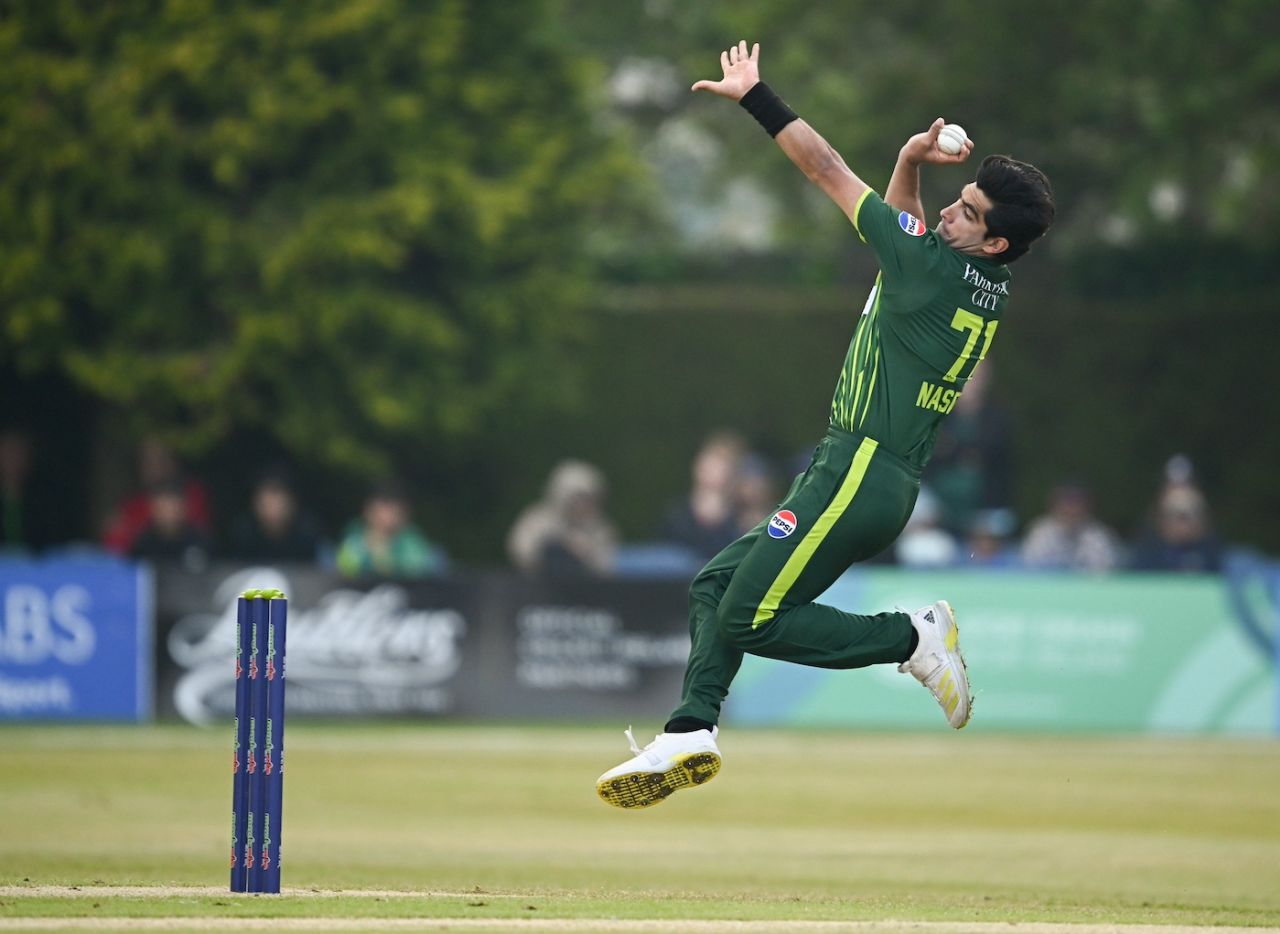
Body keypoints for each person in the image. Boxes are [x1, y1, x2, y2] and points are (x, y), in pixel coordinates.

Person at [596, 41, 1054, 809]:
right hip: (863, 472)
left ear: (996, 240)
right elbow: (907, 226)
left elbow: (826, 169)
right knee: (715, 586)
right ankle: (691, 728)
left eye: (968, 211)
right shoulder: (977, 277)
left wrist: (755, 96)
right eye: (958, 195)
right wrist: (910, 160)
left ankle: (912, 638)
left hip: (861, 470)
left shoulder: (928, 266)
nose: (949, 209)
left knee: (749, 614)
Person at [508, 460, 619, 577]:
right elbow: (522, 551)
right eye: (580, 498)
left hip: (584, 590)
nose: (584, 504)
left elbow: (608, 565)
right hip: (540, 588)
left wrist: (587, 553)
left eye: (590, 498)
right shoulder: (537, 520)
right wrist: (561, 545)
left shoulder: (600, 528)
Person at [103, 437, 211, 555]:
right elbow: (116, 550)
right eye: (147, 461)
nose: (154, 467)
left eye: (160, 460)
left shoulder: (193, 495)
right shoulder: (132, 505)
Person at [658, 432, 745, 560]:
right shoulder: (676, 514)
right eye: (710, 461)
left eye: (722, 463)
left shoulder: (741, 520)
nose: (713, 468)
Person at [335, 479, 447, 578]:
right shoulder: (353, 541)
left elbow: (420, 573)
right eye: (385, 508)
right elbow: (341, 573)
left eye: (396, 509)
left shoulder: (415, 543)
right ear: (368, 510)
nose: (390, 516)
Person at [226, 468, 327, 565]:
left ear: (293, 504)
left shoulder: (310, 534)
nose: (272, 510)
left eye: (278, 503)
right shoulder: (243, 535)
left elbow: (328, 572)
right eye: (266, 504)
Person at [1020, 483, 1122, 572]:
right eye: (1067, 502)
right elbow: (1031, 568)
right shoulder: (1041, 531)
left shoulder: (1097, 533)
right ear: (1055, 505)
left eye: (1078, 502)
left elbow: (1107, 569)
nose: (1072, 508)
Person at [129, 479, 213, 571]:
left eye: (173, 508)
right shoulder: (143, 544)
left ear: (184, 508)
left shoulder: (200, 540)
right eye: (163, 509)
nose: (169, 515)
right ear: (154, 510)